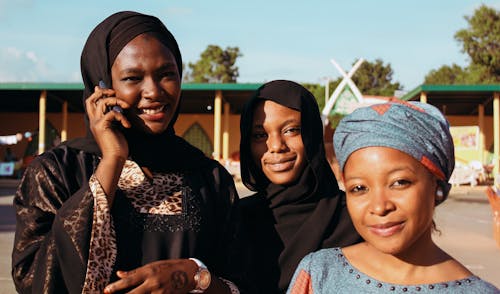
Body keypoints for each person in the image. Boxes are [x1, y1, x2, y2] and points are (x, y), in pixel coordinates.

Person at [12, 11, 243, 294]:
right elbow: (35, 279)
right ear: (102, 87)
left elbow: (241, 281)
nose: (154, 91)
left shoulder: (209, 177)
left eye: (167, 74)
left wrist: (194, 276)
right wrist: (112, 161)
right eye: (133, 78)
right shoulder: (56, 172)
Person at [288, 100, 500, 293]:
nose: (379, 207)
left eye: (399, 183)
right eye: (359, 188)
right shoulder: (319, 275)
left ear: (437, 184)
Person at [238, 80, 361, 293]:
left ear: (312, 134)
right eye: (260, 135)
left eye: (291, 130)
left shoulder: (353, 217)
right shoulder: (236, 219)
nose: (276, 146)